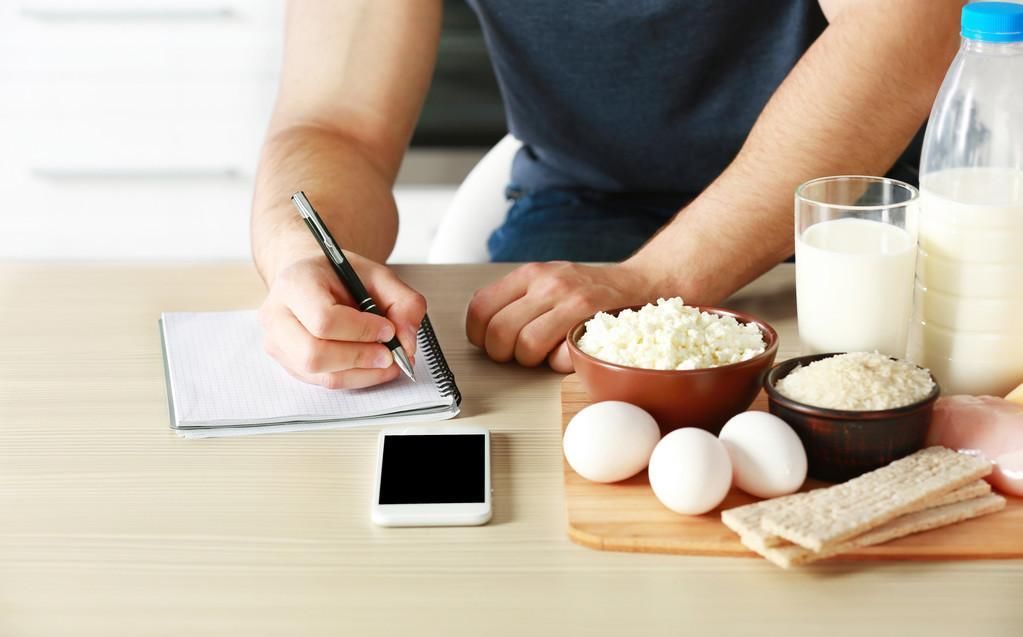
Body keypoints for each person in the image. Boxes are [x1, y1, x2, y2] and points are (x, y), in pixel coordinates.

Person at [251, 0, 962, 389]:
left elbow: (908, 29)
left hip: (854, 220)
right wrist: (300, 255)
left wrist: (656, 280)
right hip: (582, 226)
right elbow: (334, 121)